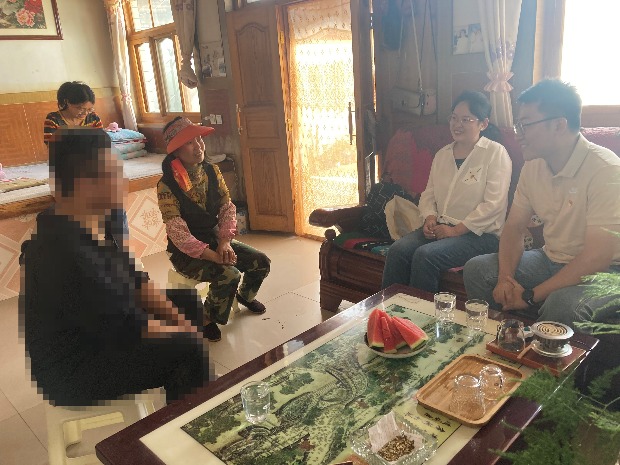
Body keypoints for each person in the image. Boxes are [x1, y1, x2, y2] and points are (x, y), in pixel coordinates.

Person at [20, 127, 210, 407]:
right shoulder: (60, 251)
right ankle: (185, 423)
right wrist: (185, 337)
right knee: (186, 349)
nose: (122, 181)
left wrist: (182, 325)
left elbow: (135, 279)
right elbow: (126, 326)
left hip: (107, 326)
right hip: (73, 368)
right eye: (110, 174)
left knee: (186, 303)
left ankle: (187, 390)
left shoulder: (100, 217)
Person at [463, 79, 620, 329]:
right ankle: (501, 342)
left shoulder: (605, 169)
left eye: (525, 125)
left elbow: (597, 258)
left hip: (608, 272)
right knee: (478, 270)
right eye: (518, 126)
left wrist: (529, 295)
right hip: (551, 258)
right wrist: (505, 279)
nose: (518, 134)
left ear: (559, 125)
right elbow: (514, 227)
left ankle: (538, 354)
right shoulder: (533, 165)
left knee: (562, 305)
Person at [382, 91, 512, 293]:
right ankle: (389, 310)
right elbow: (429, 193)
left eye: (466, 119)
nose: (457, 124)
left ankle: (420, 313)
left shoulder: (495, 153)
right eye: (454, 118)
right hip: (442, 227)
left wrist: (456, 230)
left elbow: (494, 205)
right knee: (398, 250)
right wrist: (430, 217)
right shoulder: (442, 154)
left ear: (483, 124)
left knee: (425, 255)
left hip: (480, 236)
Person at [157, 117, 271, 342]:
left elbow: (227, 207)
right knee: (229, 274)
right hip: (185, 252)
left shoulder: (212, 171)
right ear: (175, 151)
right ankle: (206, 318)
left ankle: (245, 296)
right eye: (190, 142)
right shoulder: (166, 186)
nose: (198, 146)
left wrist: (225, 242)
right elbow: (178, 234)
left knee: (260, 261)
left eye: (199, 139)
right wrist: (214, 256)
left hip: (214, 239)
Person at [44, 81, 129, 238]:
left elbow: (102, 144)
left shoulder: (93, 118)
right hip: (68, 167)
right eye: (80, 108)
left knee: (115, 207)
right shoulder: (54, 119)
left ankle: (117, 243)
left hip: (93, 165)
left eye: (89, 109)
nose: (84, 113)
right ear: (67, 102)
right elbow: (54, 150)